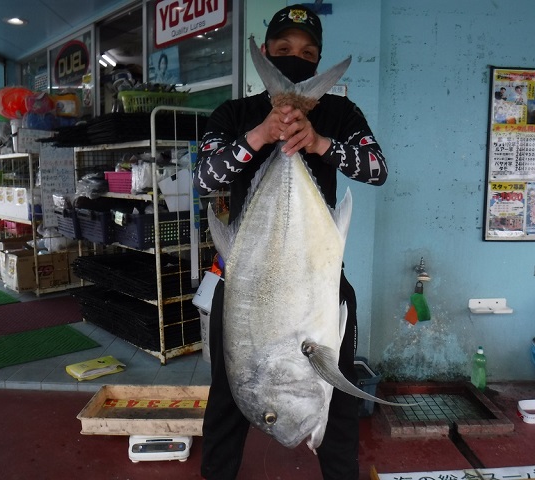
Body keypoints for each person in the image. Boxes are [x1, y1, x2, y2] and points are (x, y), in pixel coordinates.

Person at [193, 5, 387, 479]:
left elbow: (376, 170)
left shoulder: (340, 112)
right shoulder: (235, 113)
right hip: (247, 283)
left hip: (318, 278)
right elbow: (204, 178)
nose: (294, 58)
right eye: (283, 49)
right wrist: (261, 134)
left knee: (338, 395)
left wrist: (319, 143)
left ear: (318, 59)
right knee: (227, 392)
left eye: (307, 52)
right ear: (265, 52)